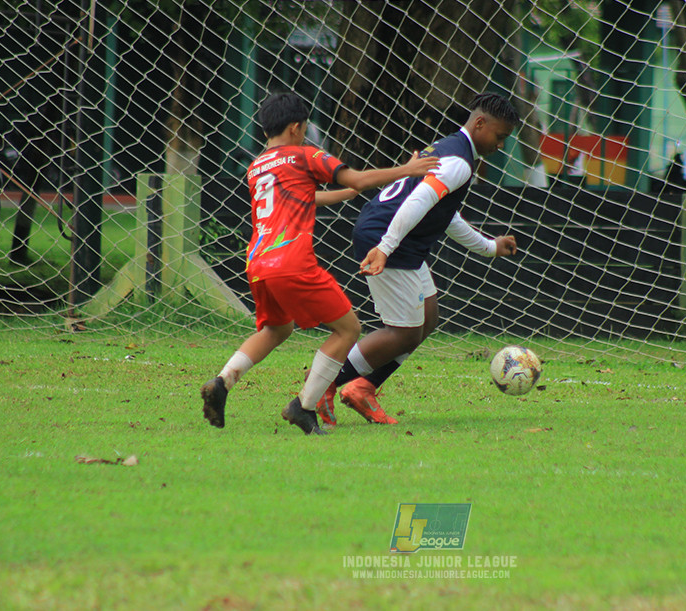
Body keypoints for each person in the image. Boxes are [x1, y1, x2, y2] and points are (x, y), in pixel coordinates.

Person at [200, 92, 438, 435]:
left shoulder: (257, 167)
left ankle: (223, 381)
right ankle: (304, 405)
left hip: (258, 262)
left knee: (276, 329)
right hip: (291, 261)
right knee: (348, 329)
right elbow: (355, 178)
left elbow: (301, 196)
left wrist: (346, 194)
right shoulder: (304, 155)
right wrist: (407, 169)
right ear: (296, 128)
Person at [315, 92, 521, 426]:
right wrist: (385, 248)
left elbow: (445, 214)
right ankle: (322, 384)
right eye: (499, 136)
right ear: (480, 123)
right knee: (405, 332)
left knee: (427, 317)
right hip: (386, 237)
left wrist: (489, 247)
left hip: (395, 238)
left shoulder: (451, 148)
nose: (500, 145)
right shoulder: (459, 162)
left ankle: (363, 387)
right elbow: (418, 201)